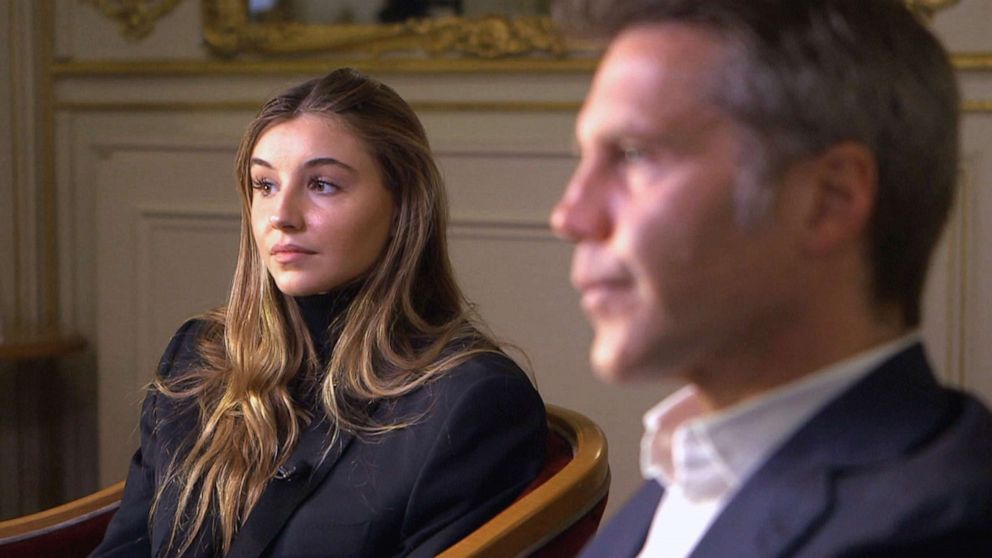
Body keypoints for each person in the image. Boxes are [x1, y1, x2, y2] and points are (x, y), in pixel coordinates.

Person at [550, 1, 992, 556]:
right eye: (585, 159)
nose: (570, 215)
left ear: (829, 201)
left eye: (634, 155)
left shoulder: (939, 529)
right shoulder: (685, 475)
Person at [93, 67, 546, 557]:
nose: (281, 215)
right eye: (264, 185)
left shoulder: (473, 401)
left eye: (323, 184)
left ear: (403, 206)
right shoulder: (199, 358)